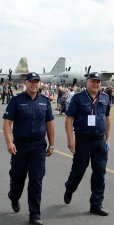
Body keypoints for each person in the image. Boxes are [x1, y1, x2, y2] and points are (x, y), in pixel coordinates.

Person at [2, 72, 55, 225]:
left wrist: (51, 144)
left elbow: (50, 124)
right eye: (31, 81)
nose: (34, 84)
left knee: (36, 179)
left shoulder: (45, 102)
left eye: (37, 81)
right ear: (25, 83)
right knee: (17, 177)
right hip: (20, 145)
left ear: (39, 84)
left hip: (38, 146)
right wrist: (9, 142)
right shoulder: (16, 100)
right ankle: (14, 196)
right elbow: (7, 123)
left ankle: (35, 215)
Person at [64, 72, 111, 216]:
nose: (96, 84)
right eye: (93, 81)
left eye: (98, 82)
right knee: (78, 171)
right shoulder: (78, 98)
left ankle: (96, 205)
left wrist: (107, 139)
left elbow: (108, 118)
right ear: (87, 82)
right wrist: (70, 140)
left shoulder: (105, 98)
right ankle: (70, 188)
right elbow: (69, 119)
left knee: (99, 173)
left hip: (99, 142)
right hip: (83, 141)